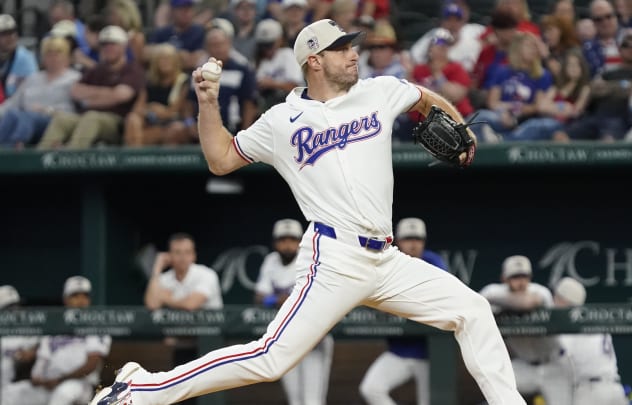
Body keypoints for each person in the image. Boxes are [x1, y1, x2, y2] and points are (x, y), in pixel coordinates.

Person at [90, 18, 524, 405]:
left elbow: (422, 97)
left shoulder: (378, 91)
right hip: (334, 258)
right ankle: (140, 389)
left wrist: (462, 134)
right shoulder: (282, 120)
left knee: (473, 311)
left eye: (354, 46)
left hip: (387, 259)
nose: (355, 53)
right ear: (314, 60)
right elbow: (221, 159)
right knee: (270, 358)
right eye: (343, 48)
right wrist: (207, 104)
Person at [359, 217, 447, 405]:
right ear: (398, 241)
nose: (413, 244)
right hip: (399, 351)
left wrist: (396, 303)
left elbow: (441, 293)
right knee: (371, 389)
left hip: (431, 351)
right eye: (408, 239)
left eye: (417, 239)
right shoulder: (386, 263)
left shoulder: (433, 261)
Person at [255, 219, 334, 405]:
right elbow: (259, 297)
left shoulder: (312, 260)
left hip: (313, 338)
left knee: (312, 401)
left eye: (292, 239)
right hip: (285, 338)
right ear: (275, 243)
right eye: (283, 239)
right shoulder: (271, 261)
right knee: (295, 401)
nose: (288, 244)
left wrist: (283, 298)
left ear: (300, 241)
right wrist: (274, 299)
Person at [2, 276, 112, 405]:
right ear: (66, 299)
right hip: (48, 384)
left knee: (62, 395)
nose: (81, 300)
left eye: (85, 296)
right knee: (9, 394)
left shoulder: (96, 325)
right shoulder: (56, 326)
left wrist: (59, 380)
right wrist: (37, 377)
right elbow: (43, 358)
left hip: (78, 384)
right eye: (75, 296)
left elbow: (92, 363)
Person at [479, 255, 573, 405]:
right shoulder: (495, 291)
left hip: (553, 365)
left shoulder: (540, 292)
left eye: (524, 276)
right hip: (523, 366)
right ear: (504, 279)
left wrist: (501, 304)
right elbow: (480, 299)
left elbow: (526, 303)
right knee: (495, 394)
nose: (521, 282)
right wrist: (502, 301)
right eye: (515, 277)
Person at [143, 232, 223, 405]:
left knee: (208, 395)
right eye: (177, 252)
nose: (182, 257)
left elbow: (191, 304)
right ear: (170, 256)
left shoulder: (206, 274)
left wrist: (165, 298)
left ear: (193, 255)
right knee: (183, 395)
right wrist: (156, 268)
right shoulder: (165, 278)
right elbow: (151, 303)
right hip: (182, 344)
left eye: (187, 252)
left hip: (210, 344)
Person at [36, 25, 145, 149]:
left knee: (91, 117)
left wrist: (90, 100)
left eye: (113, 44)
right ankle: (38, 159)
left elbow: (122, 95)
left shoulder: (132, 70)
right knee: (62, 119)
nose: (108, 48)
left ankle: (71, 157)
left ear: (123, 46)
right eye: (105, 44)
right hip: (85, 118)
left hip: (116, 122)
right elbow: (75, 90)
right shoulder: (98, 69)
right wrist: (109, 94)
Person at [553, 277, 628, 405]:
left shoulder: (570, 323)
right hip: (615, 389)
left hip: (591, 391)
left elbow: (559, 359)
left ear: (562, 300)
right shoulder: (593, 317)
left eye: (556, 298)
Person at [0, 36, 80, 148]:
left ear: (66, 57)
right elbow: (12, 103)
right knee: (11, 114)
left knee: (25, 118)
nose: (53, 58)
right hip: (25, 118)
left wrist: (47, 110)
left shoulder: (74, 79)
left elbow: (74, 112)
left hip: (53, 121)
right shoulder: (33, 78)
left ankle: (15, 147)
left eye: (57, 53)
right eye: (49, 54)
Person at [0, 285, 39, 388]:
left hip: (21, 379)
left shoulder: (30, 328)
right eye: (9, 307)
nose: (16, 310)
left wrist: (31, 353)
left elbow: (35, 352)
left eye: (17, 305)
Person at [0, 14, 38, 101]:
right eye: (5, 33)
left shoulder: (25, 58)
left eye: (13, 32)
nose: (11, 37)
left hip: (16, 106)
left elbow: (31, 91)